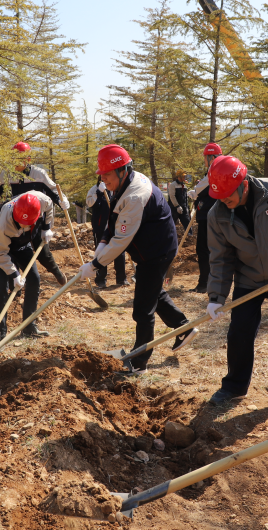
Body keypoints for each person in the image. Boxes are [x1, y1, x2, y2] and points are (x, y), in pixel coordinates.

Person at [204, 155, 268, 416]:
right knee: (239, 332)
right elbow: (220, 258)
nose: (224, 202)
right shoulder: (217, 214)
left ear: (244, 184)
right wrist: (216, 296)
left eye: (229, 195)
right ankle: (234, 386)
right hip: (249, 279)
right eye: (220, 197)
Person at [78, 145, 196, 373]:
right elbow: (113, 219)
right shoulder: (124, 184)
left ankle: (139, 362)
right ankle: (184, 327)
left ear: (123, 170)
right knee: (153, 292)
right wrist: (102, 244)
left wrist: (96, 265)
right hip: (152, 248)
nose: (104, 179)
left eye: (107, 174)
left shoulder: (134, 195)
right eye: (101, 174)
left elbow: (121, 240)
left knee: (142, 309)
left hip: (157, 252)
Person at [0, 141, 69, 286]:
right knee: (13, 253)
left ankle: (57, 274)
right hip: (15, 221)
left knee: (42, 252)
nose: (15, 163)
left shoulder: (39, 174)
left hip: (36, 221)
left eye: (18, 159)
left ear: (28, 159)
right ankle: (15, 289)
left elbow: (53, 192)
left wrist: (55, 214)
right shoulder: (7, 175)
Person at [0, 191, 55, 340]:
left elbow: (50, 204)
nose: (24, 225)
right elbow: (0, 254)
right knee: (2, 283)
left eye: (28, 223)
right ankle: (1, 333)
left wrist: (46, 226)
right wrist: (14, 274)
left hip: (23, 243)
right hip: (0, 243)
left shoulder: (41, 201)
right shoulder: (4, 223)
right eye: (21, 222)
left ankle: (29, 328)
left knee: (34, 278)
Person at [187, 143, 223, 293]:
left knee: (203, 249)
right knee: (214, 249)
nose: (205, 161)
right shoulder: (221, 168)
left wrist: (193, 193)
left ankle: (204, 283)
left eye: (205, 158)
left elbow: (197, 190)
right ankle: (212, 281)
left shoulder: (213, 169)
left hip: (208, 216)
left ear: (211, 157)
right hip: (215, 215)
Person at [86, 179, 127, 288]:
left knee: (119, 250)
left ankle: (121, 279)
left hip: (116, 225)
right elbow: (90, 203)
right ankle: (100, 280)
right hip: (100, 226)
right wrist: (99, 193)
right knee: (101, 252)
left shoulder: (118, 188)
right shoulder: (94, 189)